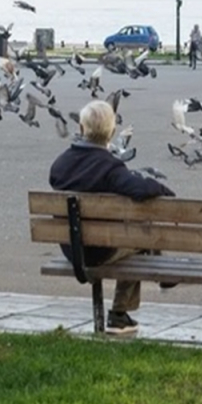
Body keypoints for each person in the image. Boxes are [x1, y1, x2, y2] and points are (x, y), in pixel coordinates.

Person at [49, 100, 175, 334]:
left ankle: (146, 292)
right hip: (101, 250)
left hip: (72, 248)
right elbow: (140, 190)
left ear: (80, 129)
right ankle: (119, 312)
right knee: (141, 237)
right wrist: (162, 189)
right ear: (113, 132)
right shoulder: (110, 167)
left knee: (132, 233)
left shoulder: (61, 163)